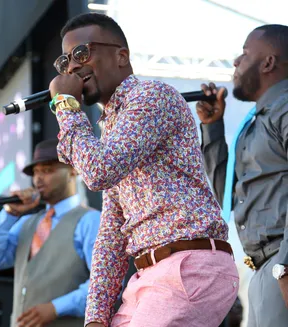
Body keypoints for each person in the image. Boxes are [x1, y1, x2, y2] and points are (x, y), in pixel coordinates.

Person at [49, 13, 239, 327]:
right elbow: (111, 232)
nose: (72, 67)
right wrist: (96, 318)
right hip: (148, 278)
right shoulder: (112, 129)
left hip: (188, 267)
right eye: (65, 61)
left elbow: (98, 172)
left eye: (82, 53)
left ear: (121, 55)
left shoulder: (151, 98)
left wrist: (66, 105)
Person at [196, 24, 288, 327]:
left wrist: (284, 267)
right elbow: (228, 195)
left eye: (245, 53)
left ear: (268, 63)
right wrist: (212, 128)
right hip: (264, 269)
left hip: (281, 263)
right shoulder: (255, 122)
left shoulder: (284, 108)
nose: (236, 62)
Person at [0, 139, 101, 327]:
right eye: (36, 172)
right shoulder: (27, 223)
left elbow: (104, 284)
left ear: (73, 170)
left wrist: (56, 307)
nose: (38, 179)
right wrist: (10, 213)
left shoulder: (91, 221)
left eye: (48, 170)